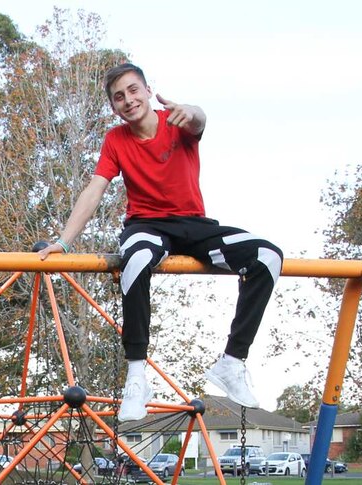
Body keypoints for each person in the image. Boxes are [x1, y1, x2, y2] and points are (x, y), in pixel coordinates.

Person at [38, 63, 283, 421]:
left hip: (194, 225)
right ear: (114, 107)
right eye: (119, 97)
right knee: (136, 259)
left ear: (148, 90)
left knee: (267, 256)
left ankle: (232, 361)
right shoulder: (116, 140)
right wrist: (64, 241)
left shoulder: (176, 123)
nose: (128, 100)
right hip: (147, 225)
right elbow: (95, 189)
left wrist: (193, 112)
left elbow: (199, 120)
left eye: (133, 90)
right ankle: (136, 376)